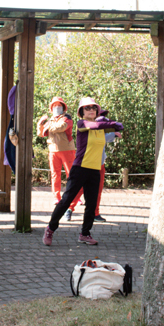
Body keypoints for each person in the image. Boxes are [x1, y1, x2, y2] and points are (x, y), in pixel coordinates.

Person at [42, 97, 123, 247]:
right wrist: (114, 124)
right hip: (80, 169)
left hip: (95, 170)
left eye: (93, 108)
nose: (91, 110)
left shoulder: (100, 127)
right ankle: (50, 229)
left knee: (91, 205)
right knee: (66, 200)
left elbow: (109, 130)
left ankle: (85, 234)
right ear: (81, 112)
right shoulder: (82, 124)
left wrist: (116, 128)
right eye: (87, 108)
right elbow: (103, 125)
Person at [69, 108, 121, 222]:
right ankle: (69, 208)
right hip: (86, 164)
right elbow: (103, 137)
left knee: (97, 190)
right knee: (79, 188)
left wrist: (113, 133)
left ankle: (95, 213)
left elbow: (105, 137)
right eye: (101, 115)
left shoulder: (101, 125)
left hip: (99, 163)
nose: (102, 117)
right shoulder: (87, 125)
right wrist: (113, 134)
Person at [37, 96, 77, 217]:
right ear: (51, 108)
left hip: (67, 150)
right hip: (53, 150)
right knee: (55, 175)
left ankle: (74, 199)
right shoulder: (50, 121)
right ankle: (56, 197)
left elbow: (62, 127)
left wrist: (47, 127)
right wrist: (40, 124)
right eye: (54, 105)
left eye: (59, 105)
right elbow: (40, 133)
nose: (57, 107)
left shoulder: (67, 117)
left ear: (63, 107)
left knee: (72, 175)